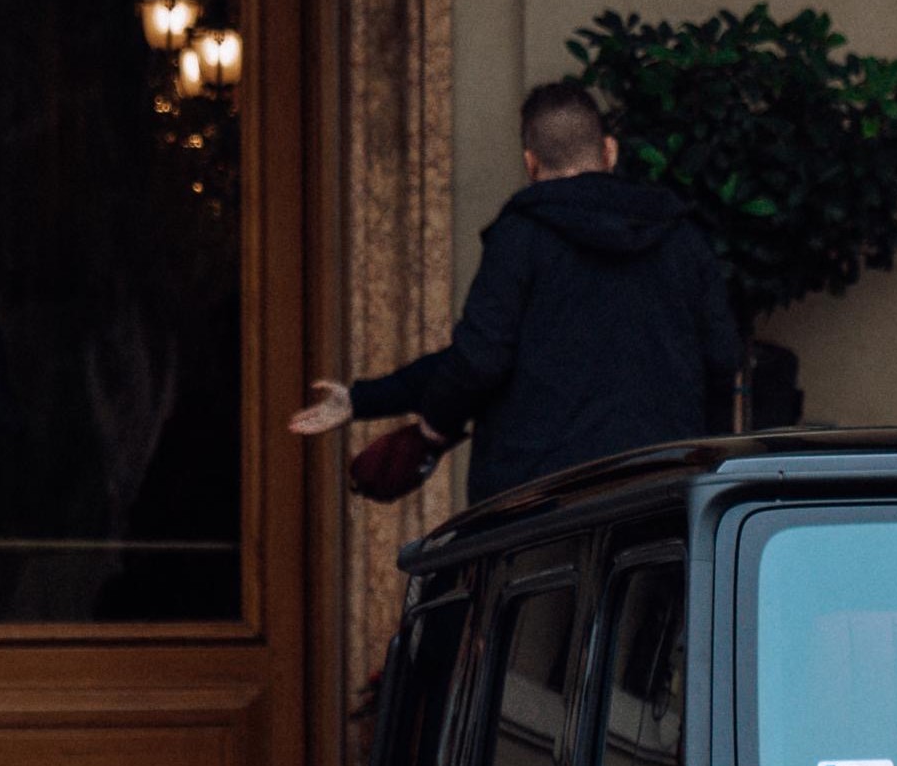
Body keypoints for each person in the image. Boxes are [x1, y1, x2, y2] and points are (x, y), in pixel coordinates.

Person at [291, 80, 741, 501]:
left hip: (535, 504)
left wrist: (424, 429)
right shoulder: (682, 239)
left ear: (530, 162)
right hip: (661, 496)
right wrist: (704, 467)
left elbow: (481, 358)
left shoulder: (521, 238)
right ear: (609, 151)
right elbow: (722, 359)